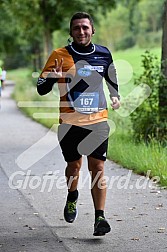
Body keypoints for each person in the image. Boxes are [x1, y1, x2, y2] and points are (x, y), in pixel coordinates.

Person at [37, 12, 120, 236]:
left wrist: (115, 95)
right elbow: (41, 87)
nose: (81, 32)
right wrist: (52, 78)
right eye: (76, 28)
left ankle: (100, 218)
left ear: (92, 30)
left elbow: (111, 75)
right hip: (69, 123)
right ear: (71, 32)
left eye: (85, 27)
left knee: (98, 168)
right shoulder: (59, 55)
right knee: (74, 167)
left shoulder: (103, 53)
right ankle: (72, 195)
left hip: (98, 121)